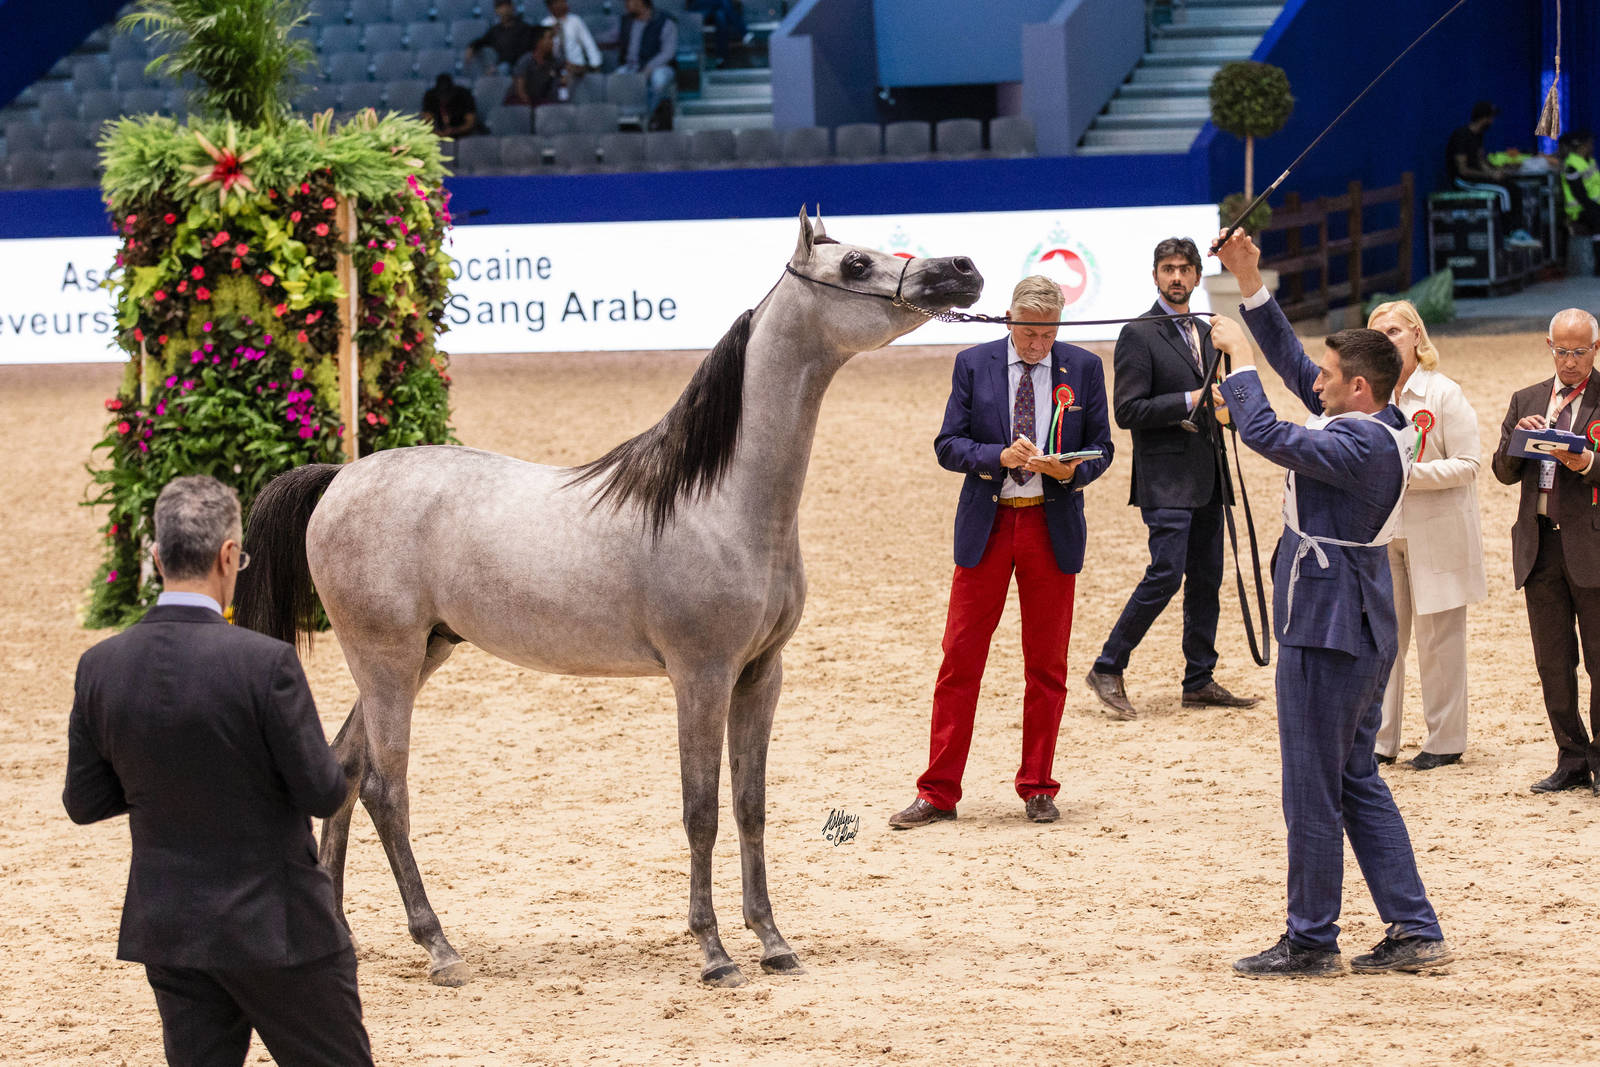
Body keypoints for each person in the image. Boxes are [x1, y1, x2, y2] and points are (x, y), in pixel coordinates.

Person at [63, 476, 371, 1065]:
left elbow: (85, 800)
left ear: (157, 558)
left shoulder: (100, 665)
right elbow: (323, 792)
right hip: (278, 927)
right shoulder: (265, 664)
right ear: (229, 555)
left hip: (172, 928)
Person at [1211, 230, 1451, 978]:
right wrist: (1249, 284)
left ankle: (1311, 937)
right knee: (1352, 776)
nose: (1315, 380)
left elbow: (1262, 428)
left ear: (1358, 389)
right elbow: (1299, 369)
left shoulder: (1356, 447)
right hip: (1356, 614)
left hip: (1330, 621)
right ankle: (1414, 928)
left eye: (1329, 375)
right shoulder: (1378, 423)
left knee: (1311, 781)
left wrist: (1238, 366)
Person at [889, 276, 1114, 829]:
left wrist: (1074, 469)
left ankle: (1038, 785)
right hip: (987, 528)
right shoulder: (973, 363)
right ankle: (938, 791)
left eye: (1047, 333)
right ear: (1008, 319)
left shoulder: (1083, 368)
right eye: (1027, 331)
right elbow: (948, 444)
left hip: (1050, 524)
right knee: (959, 659)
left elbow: (1104, 447)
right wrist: (998, 455)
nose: (1036, 343)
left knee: (1047, 664)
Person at [1085, 236, 1259, 719]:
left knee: (1207, 577)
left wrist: (1224, 406)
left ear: (1198, 277)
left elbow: (1215, 397)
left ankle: (1198, 678)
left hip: (1209, 470)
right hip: (1165, 476)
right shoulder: (1138, 334)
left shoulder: (1207, 330)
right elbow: (1127, 410)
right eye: (1168, 269)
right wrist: (1190, 399)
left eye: (1185, 268)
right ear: (1155, 275)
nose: (1177, 277)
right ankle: (1107, 664)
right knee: (1165, 573)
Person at [1366, 300, 1485, 769]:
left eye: (1395, 331)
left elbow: (1470, 463)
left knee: (1440, 640)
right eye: (1378, 333)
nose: (1387, 340)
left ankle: (1445, 740)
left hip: (1436, 532)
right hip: (1383, 532)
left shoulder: (1443, 393)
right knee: (1382, 641)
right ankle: (1379, 740)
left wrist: (1409, 475)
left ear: (1417, 335)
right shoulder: (1368, 396)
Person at [1490, 308, 1600, 795]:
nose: (1570, 361)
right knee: (1552, 661)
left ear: (1595, 350)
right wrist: (1520, 440)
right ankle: (1571, 756)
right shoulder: (1527, 399)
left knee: (1599, 660)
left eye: (1579, 351)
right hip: (1540, 544)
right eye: (1562, 350)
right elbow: (1502, 471)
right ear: (1548, 347)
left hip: (1592, 544)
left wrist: (1587, 461)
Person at [614, 0, 678, 130]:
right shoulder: (626, 20)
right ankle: (627, 119)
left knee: (658, 80)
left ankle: (651, 115)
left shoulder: (665, 20)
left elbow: (668, 52)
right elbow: (612, 36)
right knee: (617, 78)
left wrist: (650, 67)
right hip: (631, 66)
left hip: (660, 66)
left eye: (629, 1)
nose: (626, 4)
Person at [1446, 100, 1513, 214]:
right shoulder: (1461, 136)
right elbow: (1463, 171)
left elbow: (1481, 162)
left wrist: (1496, 172)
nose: (1492, 122)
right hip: (1463, 181)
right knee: (1503, 192)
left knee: (1511, 186)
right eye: (1490, 118)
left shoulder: (1478, 136)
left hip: (1477, 178)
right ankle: (1508, 230)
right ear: (1483, 118)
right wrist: (1490, 175)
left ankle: (1518, 230)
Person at [465, 0, 540, 72]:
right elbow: (482, 41)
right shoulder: (495, 30)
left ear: (512, 7)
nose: (504, 10)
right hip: (499, 67)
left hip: (518, 67)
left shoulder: (524, 28)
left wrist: (501, 65)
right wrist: (472, 47)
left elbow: (523, 51)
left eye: (507, 6)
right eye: (501, 7)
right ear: (496, 10)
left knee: (503, 68)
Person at [542, 0, 601, 88]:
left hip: (577, 69)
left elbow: (589, 45)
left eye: (564, 2)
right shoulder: (545, 24)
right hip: (555, 70)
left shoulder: (576, 21)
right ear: (550, 6)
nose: (564, 5)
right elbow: (544, 51)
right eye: (560, 2)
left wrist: (595, 65)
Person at [510, 26, 566, 108]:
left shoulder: (553, 61)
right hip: (520, 104)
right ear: (539, 42)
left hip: (540, 102)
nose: (553, 42)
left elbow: (570, 66)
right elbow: (520, 92)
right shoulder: (526, 60)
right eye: (550, 38)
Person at [687, 0, 747, 68]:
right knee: (723, 2)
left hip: (714, 8)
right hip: (699, 6)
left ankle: (721, 59)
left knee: (720, 16)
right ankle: (742, 31)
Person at [421, 74, 481, 138]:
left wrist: (455, 130)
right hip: (438, 134)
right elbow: (426, 121)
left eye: (446, 94)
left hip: (464, 134)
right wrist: (436, 132)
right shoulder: (430, 96)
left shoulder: (464, 95)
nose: (444, 98)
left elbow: (470, 123)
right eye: (441, 95)